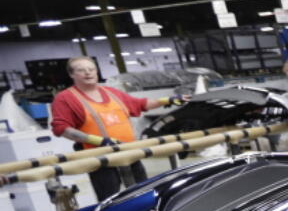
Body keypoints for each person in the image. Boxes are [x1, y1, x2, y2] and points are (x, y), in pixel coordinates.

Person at [49, 56, 188, 201]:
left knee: (143, 194)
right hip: (100, 158)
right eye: (81, 70)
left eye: (91, 69)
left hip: (129, 153)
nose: (88, 73)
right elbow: (62, 129)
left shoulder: (111, 92)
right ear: (72, 75)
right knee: (111, 200)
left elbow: (140, 104)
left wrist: (167, 100)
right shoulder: (65, 98)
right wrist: (99, 141)